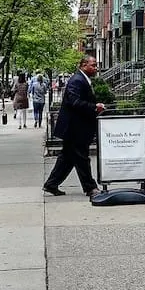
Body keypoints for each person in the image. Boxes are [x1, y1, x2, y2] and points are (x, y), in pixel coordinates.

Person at [42, 55, 105, 198]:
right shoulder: (77, 80)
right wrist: (94, 107)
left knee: (68, 157)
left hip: (75, 127)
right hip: (75, 128)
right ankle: (90, 187)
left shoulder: (81, 80)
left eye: (96, 65)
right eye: (93, 65)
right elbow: (74, 102)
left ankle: (51, 184)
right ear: (83, 65)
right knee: (82, 157)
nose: (95, 68)